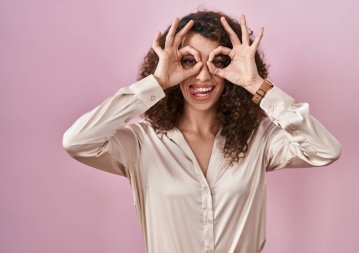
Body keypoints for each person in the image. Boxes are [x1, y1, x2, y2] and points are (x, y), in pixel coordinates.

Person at [62, 9, 342, 253]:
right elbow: (78, 142)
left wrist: (257, 85)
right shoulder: (142, 144)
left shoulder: (259, 139)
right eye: (188, 61)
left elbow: (325, 150)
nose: (203, 75)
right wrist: (157, 83)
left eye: (218, 62)